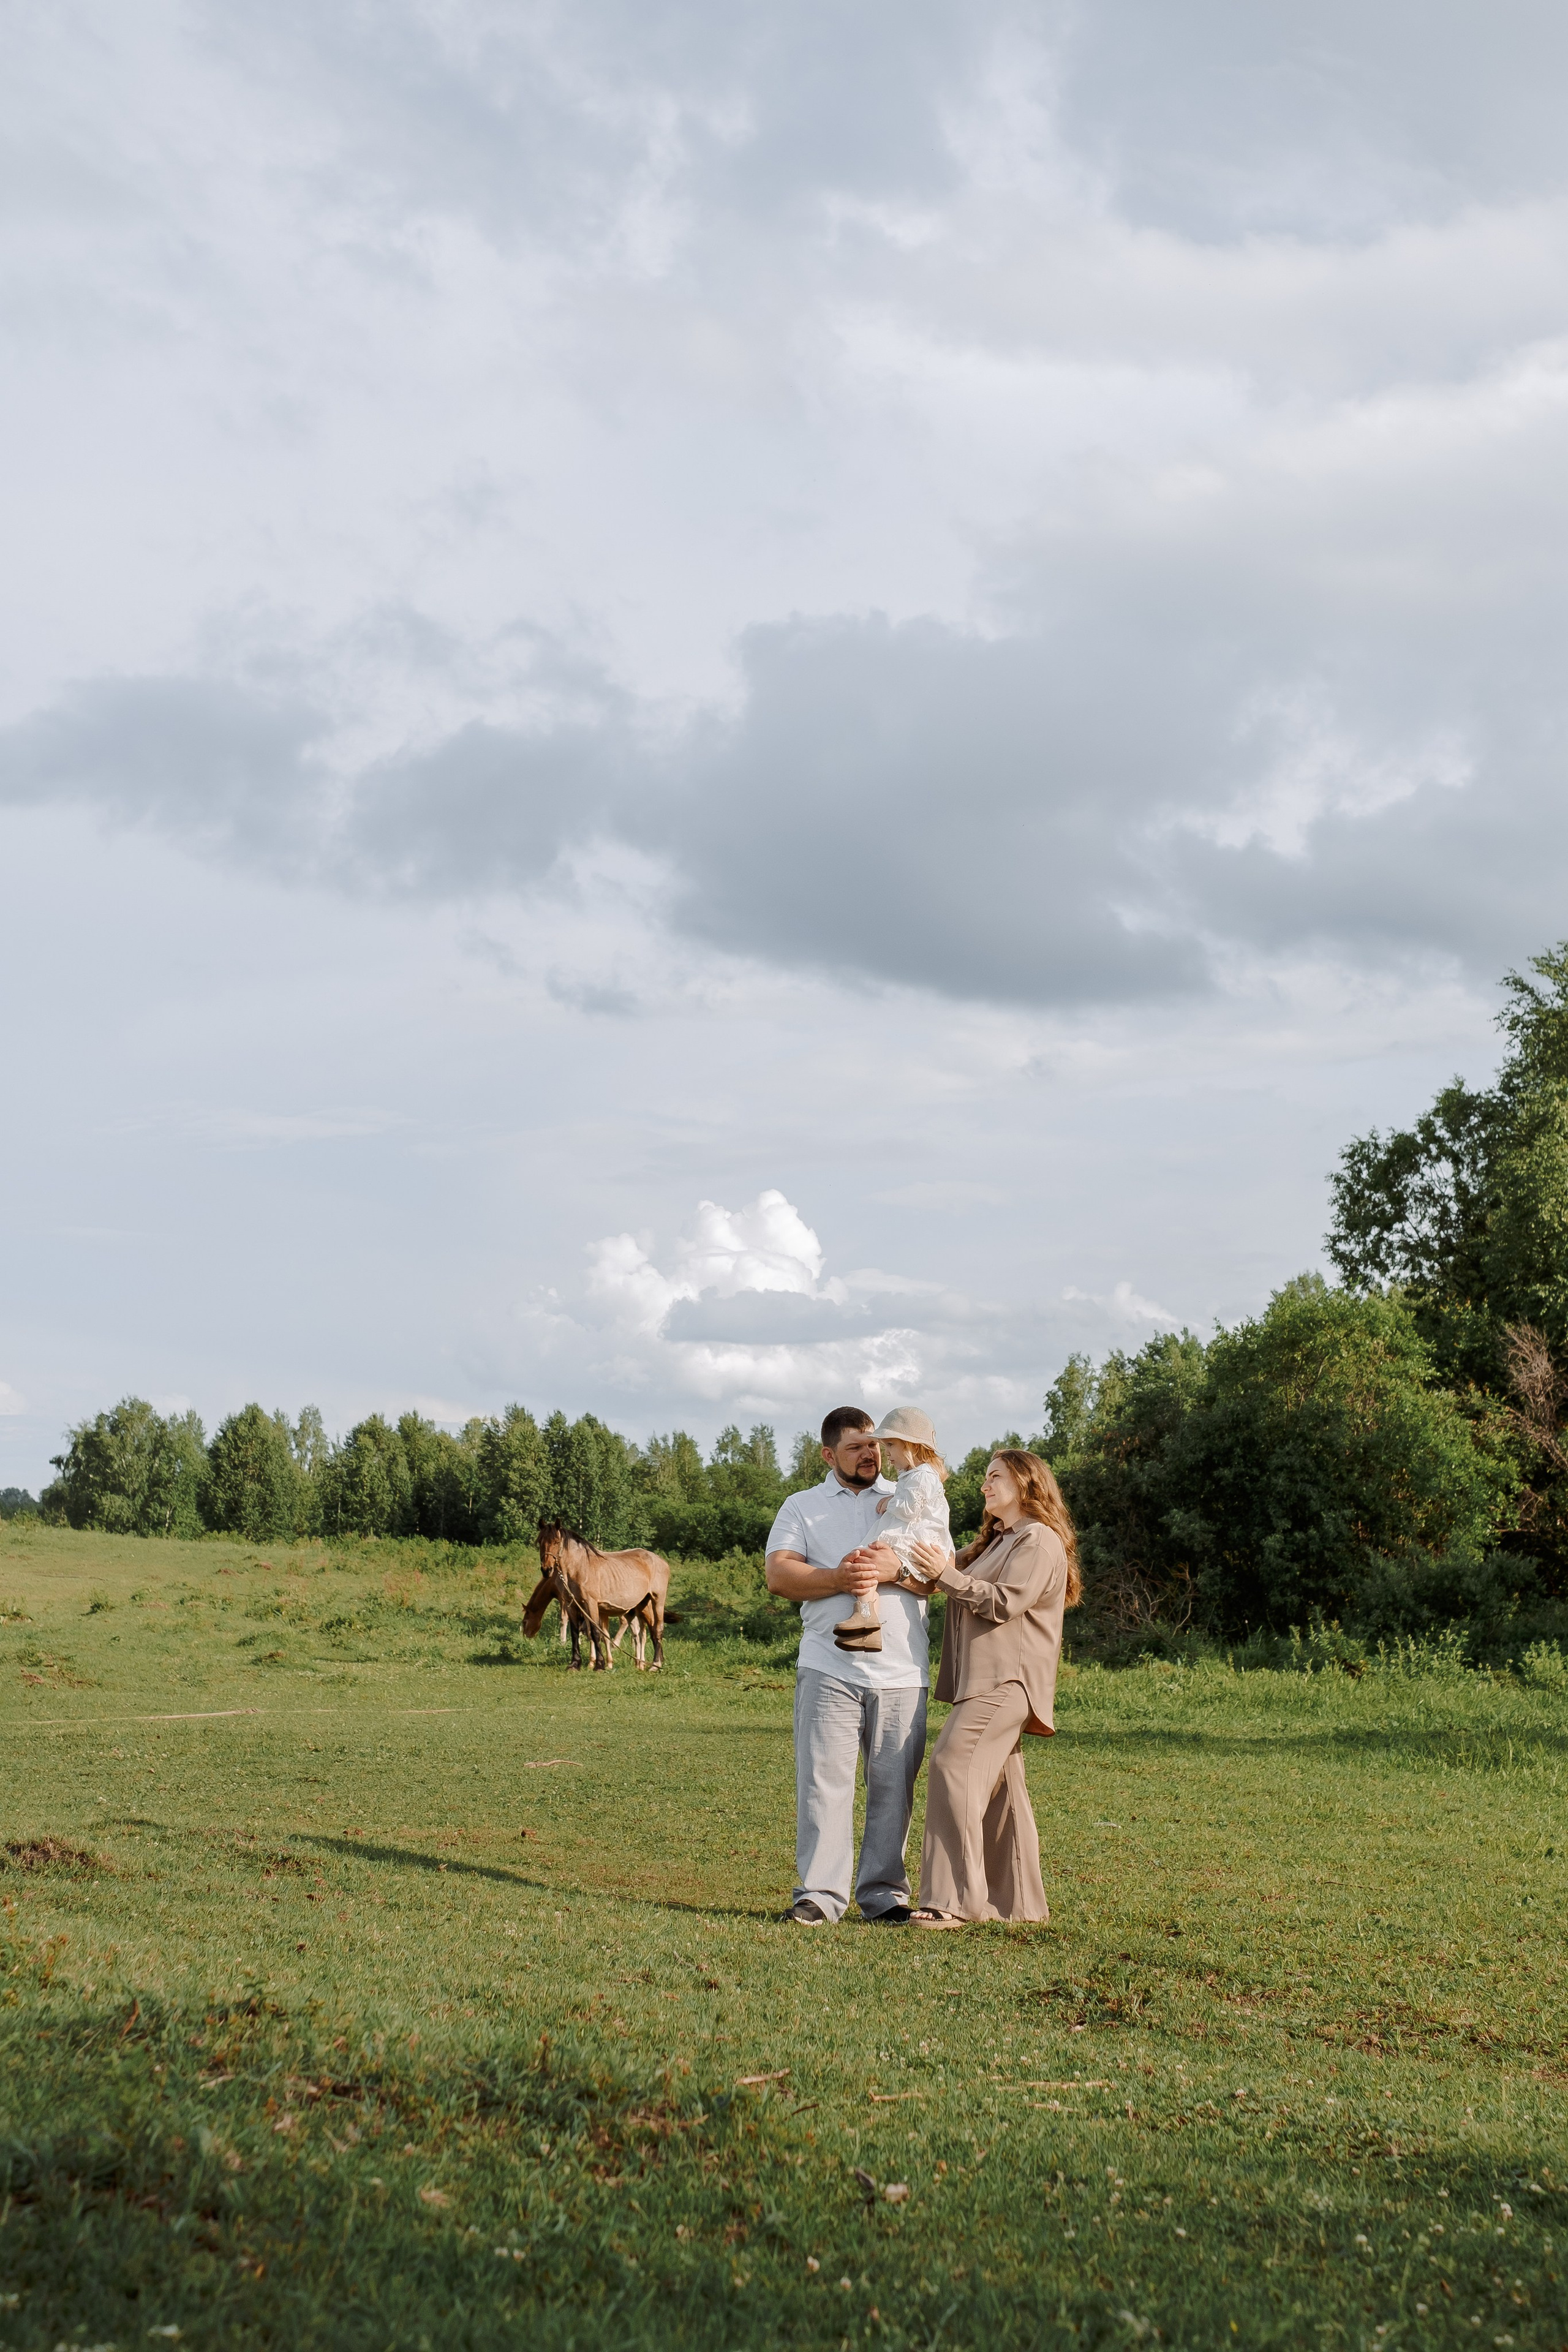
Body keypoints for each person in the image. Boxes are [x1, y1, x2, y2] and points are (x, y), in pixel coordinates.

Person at [764, 1406, 934, 1924]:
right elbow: (780, 1575)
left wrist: (898, 1568)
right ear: (828, 1453)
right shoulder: (802, 1506)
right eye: (857, 1445)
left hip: (903, 1670)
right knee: (823, 1783)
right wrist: (839, 1579)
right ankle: (819, 1896)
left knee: (893, 1788)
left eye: (875, 1444)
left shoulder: (909, 1497)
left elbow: (939, 1577)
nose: (870, 1453)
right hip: (828, 1666)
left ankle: (884, 1895)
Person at [903, 1448, 1080, 1928]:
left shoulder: (1038, 1541)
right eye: (984, 1477)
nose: (985, 1485)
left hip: (1008, 1681)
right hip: (984, 1681)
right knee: (1002, 1790)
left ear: (1026, 1483)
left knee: (951, 1764)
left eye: (995, 1477)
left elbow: (1005, 1602)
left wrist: (947, 1577)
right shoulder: (996, 1541)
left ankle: (953, 1901)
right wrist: (898, 1524)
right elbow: (933, 1572)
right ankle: (1019, 1905)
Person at [835, 1406, 952, 1654]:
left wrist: (891, 1502)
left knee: (865, 1563)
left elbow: (910, 1509)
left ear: (909, 1446)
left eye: (890, 1445)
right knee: (865, 1569)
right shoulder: (913, 1476)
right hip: (907, 1535)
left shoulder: (924, 1476)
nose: (887, 1453)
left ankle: (866, 1618)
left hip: (913, 1541)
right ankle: (866, 1621)